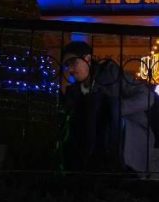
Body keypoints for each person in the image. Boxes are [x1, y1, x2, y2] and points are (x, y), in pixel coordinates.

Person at [61, 41, 153, 173]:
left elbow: (147, 97)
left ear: (87, 59)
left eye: (73, 63)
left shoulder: (111, 75)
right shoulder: (75, 91)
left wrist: (116, 109)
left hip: (123, 147)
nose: (70, 70)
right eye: (67, 66)